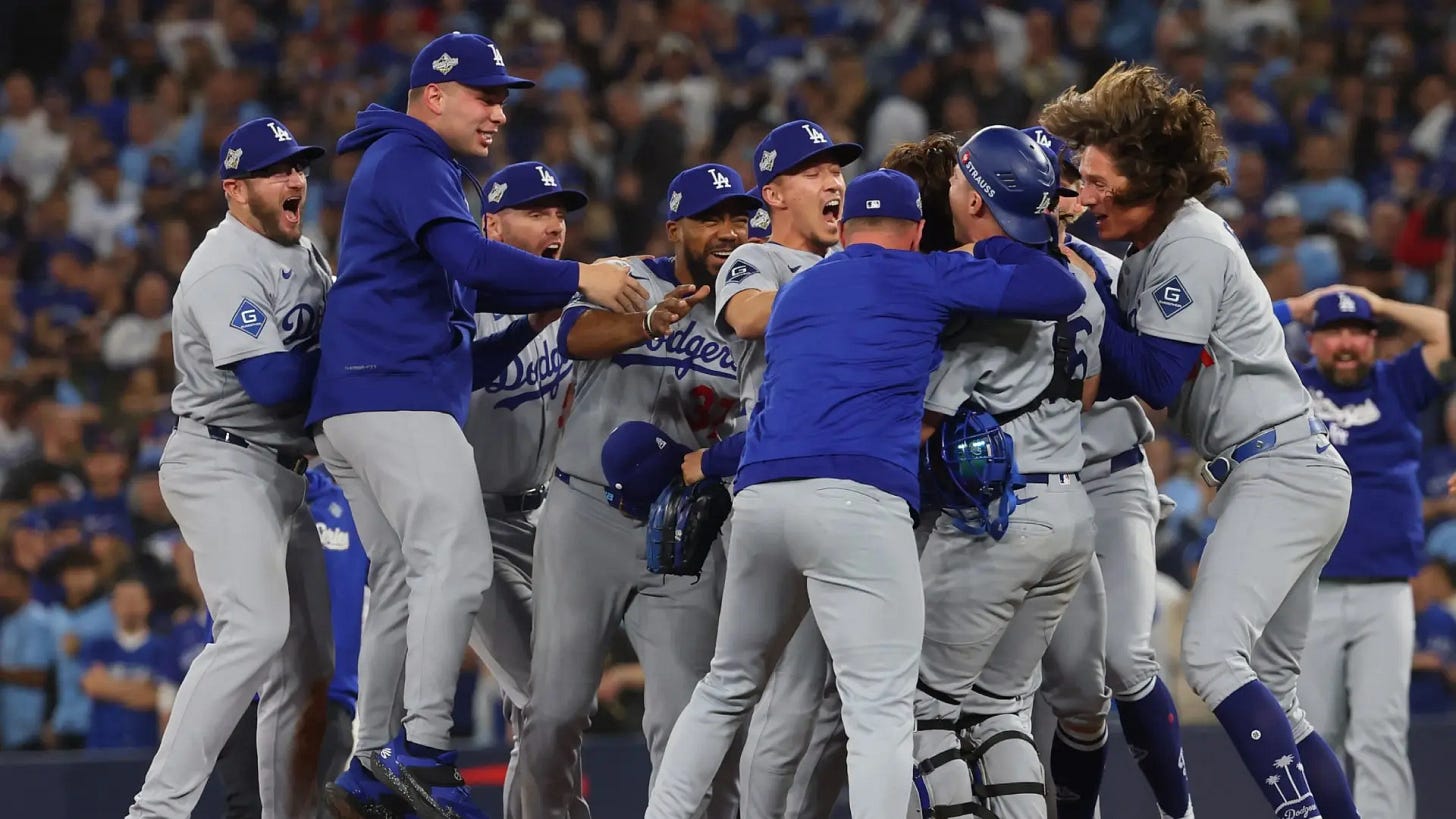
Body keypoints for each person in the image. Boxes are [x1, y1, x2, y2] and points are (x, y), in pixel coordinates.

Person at [643, 168, 1086, 818]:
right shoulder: (924, 272)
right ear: (915, 233)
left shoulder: (799, 287)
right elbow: (1057, 289)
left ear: (845, 230)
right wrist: (983, 247)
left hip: (762, 496)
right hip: (857, 498)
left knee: (727, 684)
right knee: (879, 705)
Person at [309, 32, 646, 819]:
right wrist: (580, 277)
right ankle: (422, 749)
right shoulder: (411, 160)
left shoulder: (408, 164)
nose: (499, 111)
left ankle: (367, 759)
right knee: (456, 560)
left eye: (503, 98)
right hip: (389, 397)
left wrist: (532, 322)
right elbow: (469, 258)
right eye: (486, 95)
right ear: (435, 95)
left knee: (397, 575)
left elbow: (456, 349)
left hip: (367, 400)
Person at [1041, 63, 1359, 819]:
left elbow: (1152, 374)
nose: (1084, 197)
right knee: (1279, 695)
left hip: (1279, 467)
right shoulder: (1152, 247)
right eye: (1079, 179)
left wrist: (1082, 285)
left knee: (1213, 656)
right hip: (1282, 467)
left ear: (1147, 178)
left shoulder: (1187, 242)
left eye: (1098, 180)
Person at [517, 162, 760, 819]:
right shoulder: (626, 277)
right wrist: (650, 322)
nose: (729, 231)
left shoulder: (751, 306)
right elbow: (572, 336)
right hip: (584, 512)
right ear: (676, 225)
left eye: (739, 218)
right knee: (555, 712)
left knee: (692, 721)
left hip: (685, 523)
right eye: (712, 218)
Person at [128, 116, 335, 819]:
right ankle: (157, 809)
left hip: (283, 472)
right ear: (234, 188)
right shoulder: (222, 264)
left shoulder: (304, 251)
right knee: (252, 628)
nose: (294, 179)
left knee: (307, 668)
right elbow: (275, 384)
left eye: (298, 167)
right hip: (220, 459)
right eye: (277, 170)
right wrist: (366, 366)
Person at [908, 125, 1103, 819]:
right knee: (994, 712)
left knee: (920, 710)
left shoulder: (986, 300)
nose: (952, 186)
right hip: (1072, 508)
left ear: (977, 199)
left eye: (961, 176)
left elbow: (927, 422)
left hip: (998, 517)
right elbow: (1087, 392)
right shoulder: (1082, 284)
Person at [1025, 125, 1195, 819]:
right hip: (1028, 486)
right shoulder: (974, 269)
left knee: (1127, 659)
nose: (1060, 196)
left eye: (1066, 183)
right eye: (1045, 184)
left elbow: (1149, 375)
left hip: (1110, 473)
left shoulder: (1109, 267)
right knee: (1059, 687)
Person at [712, 117, 861, 819]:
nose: (834, 182)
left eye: (838, 170)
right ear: (773, 192)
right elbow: (745, 316)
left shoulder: (851, 262)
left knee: (843, 699)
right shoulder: (758, 257)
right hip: (779, 477)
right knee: (791, 688)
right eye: (814, 172)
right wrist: (854, 285)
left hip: (849, 480)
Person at [1275, 285, 1450, 819]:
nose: (1346, 344)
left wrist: (1378, 302)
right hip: (1309, 589)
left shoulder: (1398, 381)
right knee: (1311, 731)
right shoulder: (1289, 385)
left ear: (1376, 339)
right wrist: (1299, 307)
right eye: (1332, 333)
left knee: (1380, 733)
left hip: (1387, 590)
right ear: (1312, 339)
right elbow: (1230, 334)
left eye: (1359, 332)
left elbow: (1444, 330)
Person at [463, 159, 588, 819]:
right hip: (468, 523)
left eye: (560, 213)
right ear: (491, 225)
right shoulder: (463, 301)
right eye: (537, 211)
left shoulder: (571, 303)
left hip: (543, 519)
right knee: (549, 693)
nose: (555, 226)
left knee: (548, 703)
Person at [79, 577, 178, 750]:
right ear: (113, 605)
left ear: (148, 604)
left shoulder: (164, 648)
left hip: (146, 749)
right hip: (102, 749)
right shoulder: (98, 646)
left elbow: (161, 699)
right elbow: (93, 686)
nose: (130, 606)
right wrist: (143, 688)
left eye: (135, 599)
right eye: (124, 600)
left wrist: (110, 687)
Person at [45, 546, 115, 749]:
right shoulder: (55, 616)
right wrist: (49, 717)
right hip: (64, 718)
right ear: (62, 577)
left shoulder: (110, 611)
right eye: (74, 573)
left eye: (86, 572)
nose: (80, 579)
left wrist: (85, 648)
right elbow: (52, 672)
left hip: (100, 716)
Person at [0, 561, 54, 750]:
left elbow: (37, 676)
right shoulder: (8, 622)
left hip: (32, 729)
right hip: (10, 729)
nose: (3, 592)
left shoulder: (36, 621)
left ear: (26, 587)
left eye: (8, 586)